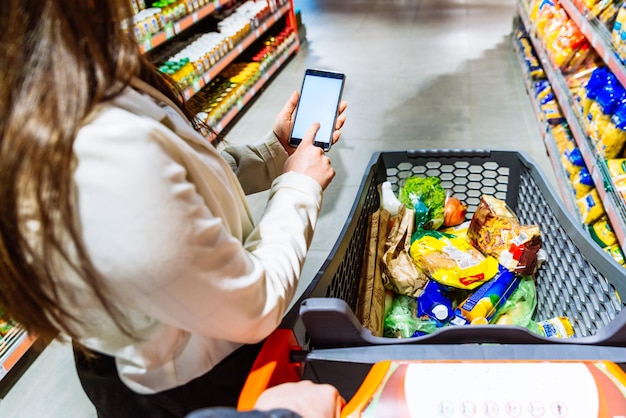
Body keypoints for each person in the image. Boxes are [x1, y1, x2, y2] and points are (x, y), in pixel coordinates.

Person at [0, 1, 347, 417]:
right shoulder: (99, 155)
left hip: (191, 340)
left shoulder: (84, 79)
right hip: (186, 383)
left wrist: (274, 154)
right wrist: (299, 186)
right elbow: (254, 304)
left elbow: (178, 186)